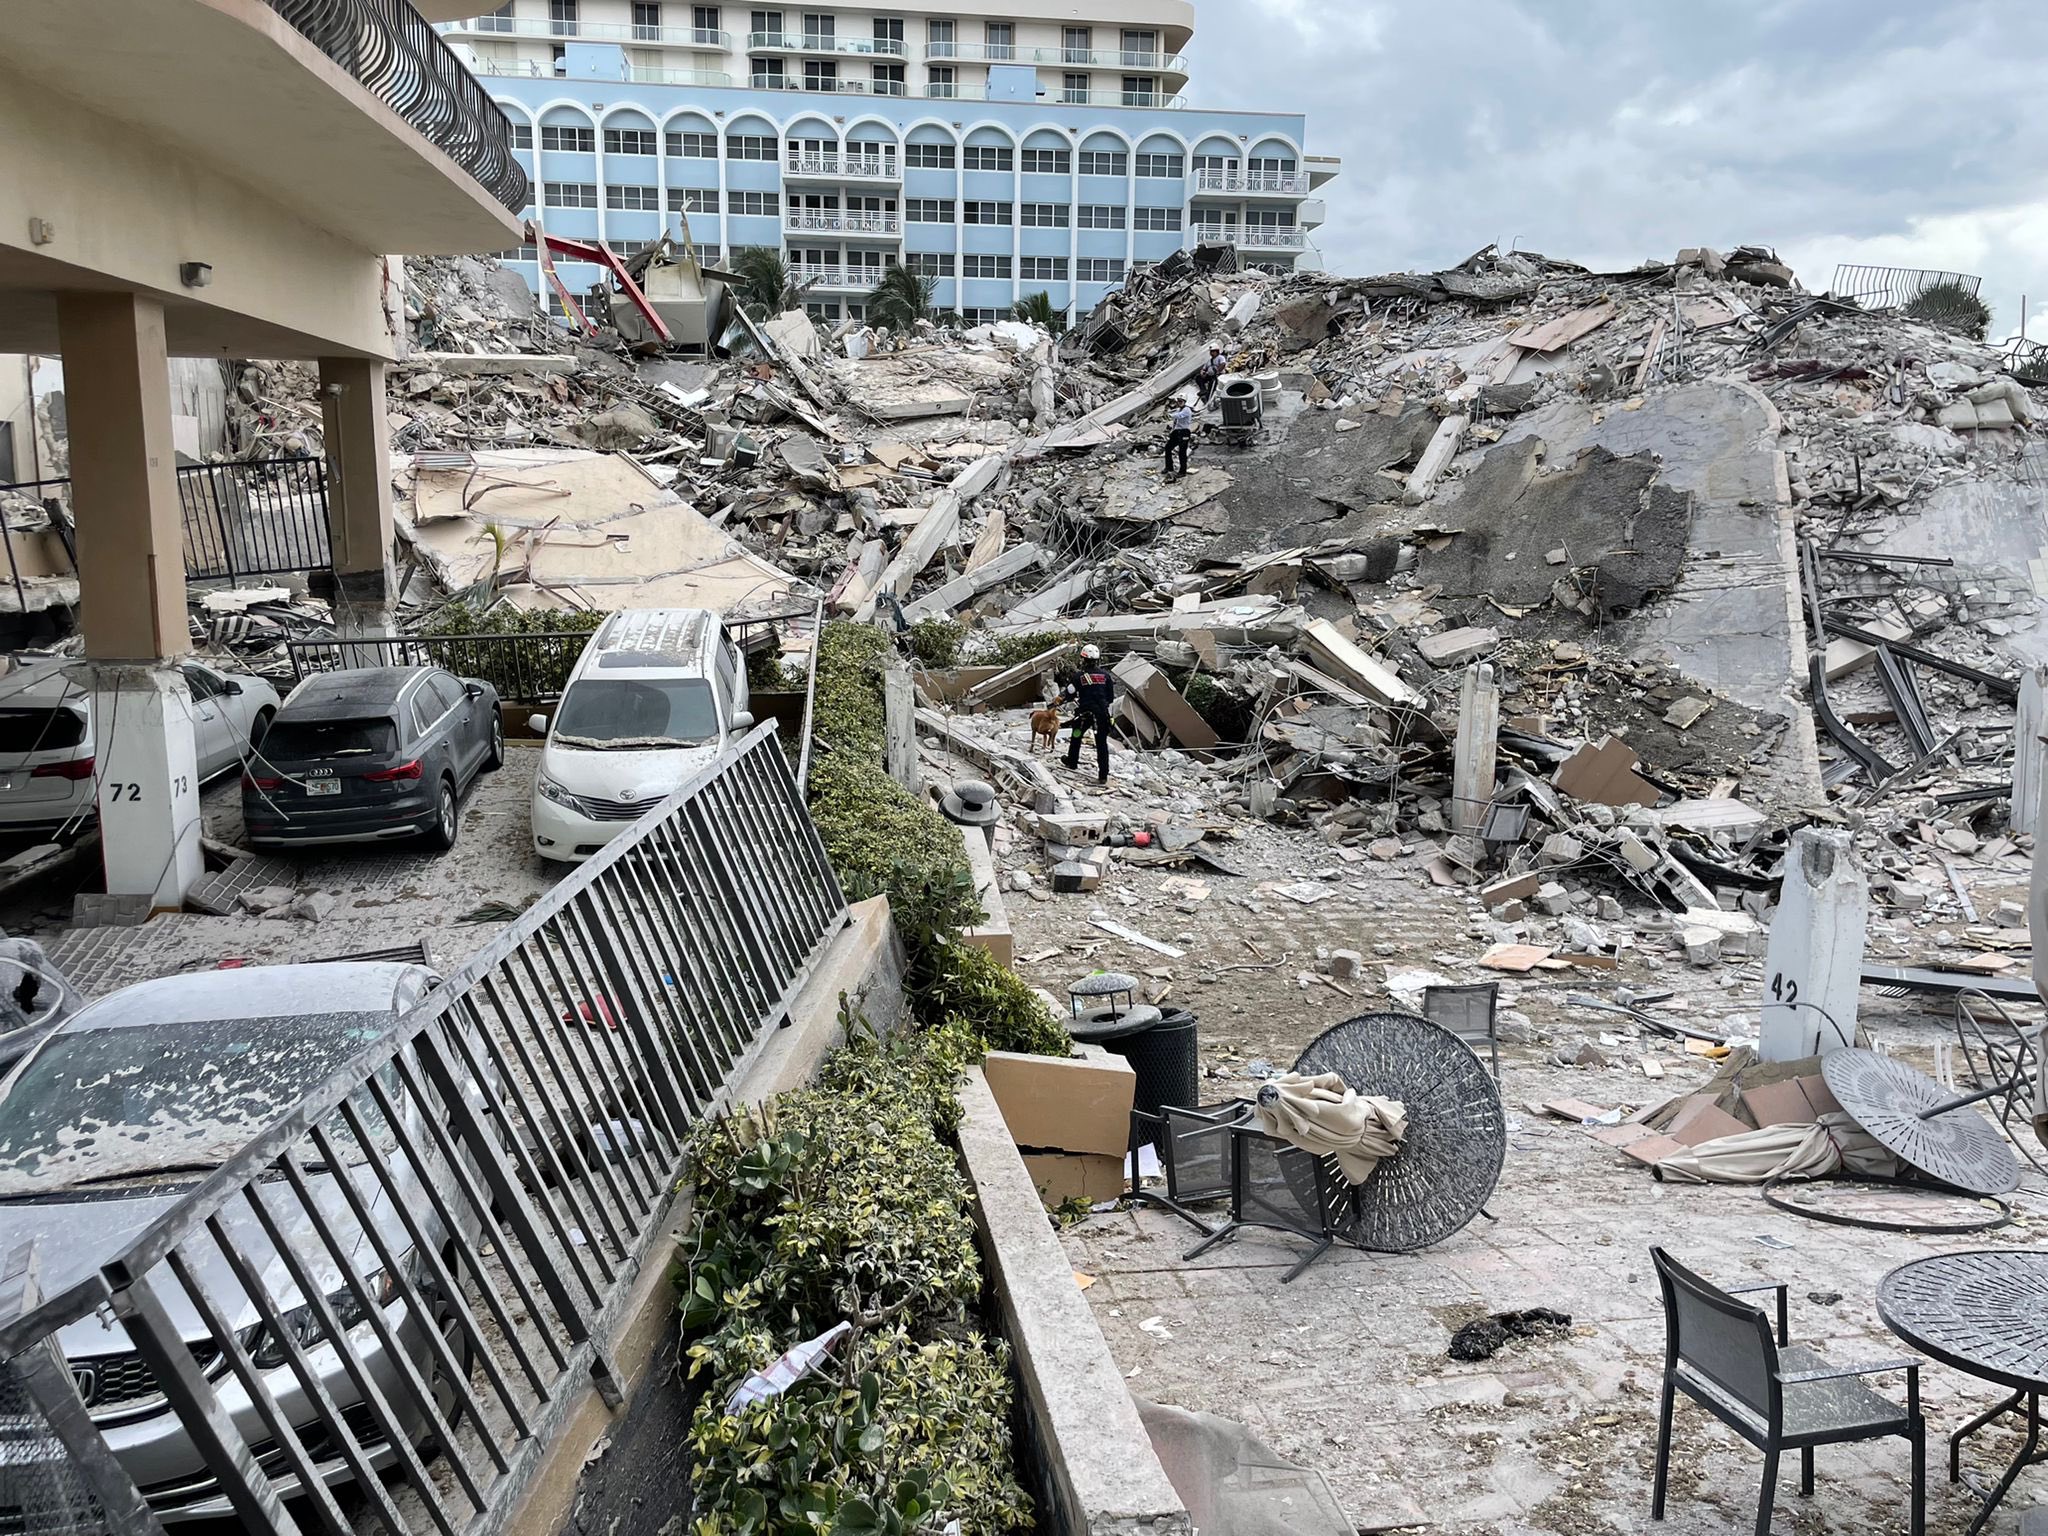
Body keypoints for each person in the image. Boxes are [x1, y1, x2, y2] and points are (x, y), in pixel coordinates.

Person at [1060, 644, 1116, 784]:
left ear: (1083, 659)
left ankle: (1072, 762)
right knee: (1101, 743)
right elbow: (1110, 698)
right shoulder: (1106, 676)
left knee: (1076, 735)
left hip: (1085, 714)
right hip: (1102, 715)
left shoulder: (1079, 676)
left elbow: (1070, 694)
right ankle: (1103, 775)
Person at [1164, 394, 1194, 480]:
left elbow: (1179, 416)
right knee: (1168, 448)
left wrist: (1169, 416)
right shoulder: (1178, 409)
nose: (1179, 403)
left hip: (1184, 432)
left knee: (1182, 452)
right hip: (1177, 431)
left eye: (1181, 401)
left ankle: (1182, 471)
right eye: (1178, 401)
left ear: (1184, 402)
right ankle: (1169, 467)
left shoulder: (1187, 410)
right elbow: (1175, 421)